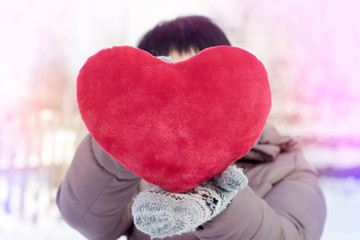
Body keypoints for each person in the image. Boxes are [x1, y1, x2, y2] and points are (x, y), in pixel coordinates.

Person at [56, 15, 326, 240]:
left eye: (201, 93)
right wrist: (118, 142)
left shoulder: (285, 166)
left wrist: (217, 203)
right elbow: (89, 221)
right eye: (163, 94)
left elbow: (291, 234)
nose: (183, 111)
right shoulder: (138, 173)